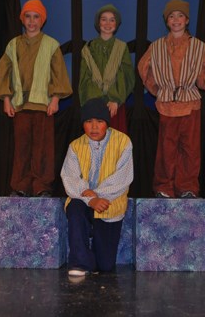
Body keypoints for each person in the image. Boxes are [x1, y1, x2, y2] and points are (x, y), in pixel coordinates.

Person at [137, 0, 205, 199]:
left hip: (191, 104)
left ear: (187, 20)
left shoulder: (198, 46)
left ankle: (188, 188)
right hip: (167, 105)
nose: (176, 20)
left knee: (190, 149)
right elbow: (143, 68)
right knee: (166, 149)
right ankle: (163, 187)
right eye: (172, 16)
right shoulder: (157, 46)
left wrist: (201, 81)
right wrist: (158, 89)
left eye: (180, 16)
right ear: (167, 21)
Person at [0, 0, 72, 197]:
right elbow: (3, 72)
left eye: (36, 17)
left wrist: (55, 98)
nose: (31, 21)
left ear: (42, 20)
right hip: (20, 105)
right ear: (22, 19)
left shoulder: (51, 44)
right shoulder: (13, 45)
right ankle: (20, 185)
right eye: (27, 16)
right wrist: (6, 98)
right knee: (22, 148)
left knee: (42, 148)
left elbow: (58, 73)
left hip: (43, 105)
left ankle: (41, 186)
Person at [60, 97, 133, 278]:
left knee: (106, 266)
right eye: (88, 122)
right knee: (75, 208)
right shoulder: (75, 146)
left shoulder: (123, 142)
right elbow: (69, 177)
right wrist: (90, 199)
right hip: (84, 201)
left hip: (109, 203)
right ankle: (80, 262)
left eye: (99, 122)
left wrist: (98, 196)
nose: (94, 127)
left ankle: (93, 257)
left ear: (107, 123)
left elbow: (123, 178)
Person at [78, 4, 135, 134]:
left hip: (114, 106)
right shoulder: (88, 48)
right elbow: (84, 78)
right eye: (104, 19)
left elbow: (126, 77)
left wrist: (115, 99)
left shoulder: (121, 47)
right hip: (94, 103)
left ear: (117, 24)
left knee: (114, 141)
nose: (107, 23)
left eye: (112, 19)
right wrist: (95, 100)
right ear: (98, 23)